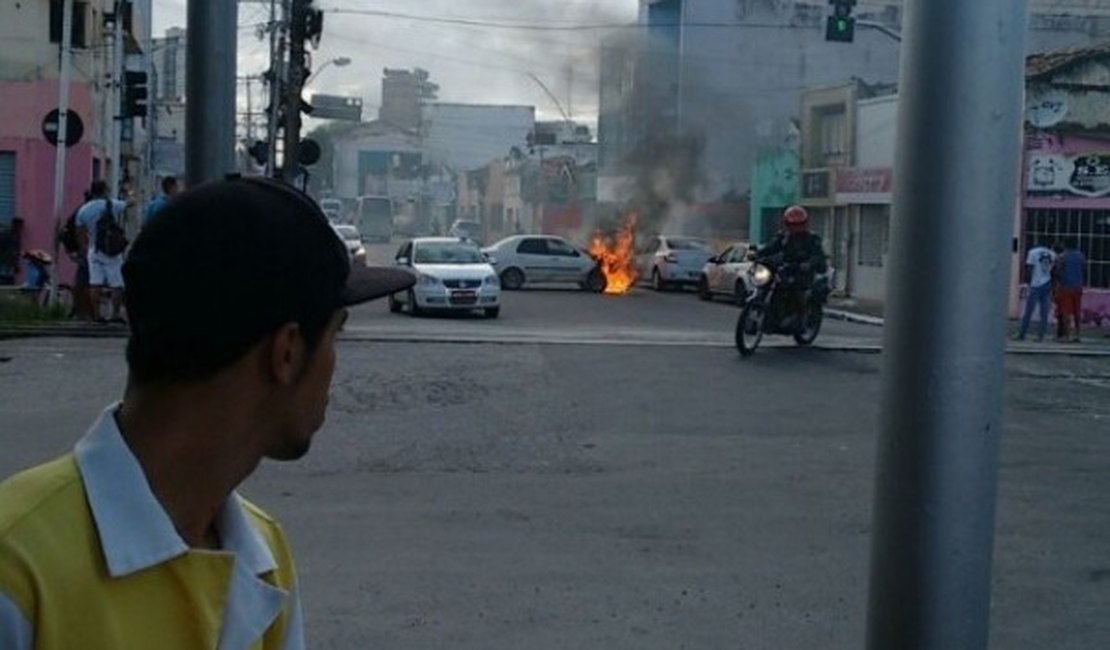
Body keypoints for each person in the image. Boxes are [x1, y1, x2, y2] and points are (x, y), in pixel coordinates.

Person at [0, 177, 415, 649]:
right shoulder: (16, 569)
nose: (335, 364)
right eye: (335, 336)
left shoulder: (261, 553)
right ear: (287, 352)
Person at [758, 205, 829, 328]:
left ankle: (797, 317)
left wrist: (809, 263)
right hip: (786, 269)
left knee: (793, 288)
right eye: (791, 224)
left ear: (804, 223)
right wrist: (757, 254)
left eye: (798, 224)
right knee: (769, 283)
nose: (795, 227)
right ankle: (771, 316)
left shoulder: (812, 239)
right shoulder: (782, 237)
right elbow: (770, 248)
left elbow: (818, 255)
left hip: (803, 273)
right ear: (786, 223)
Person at [75, 180, 131, 323]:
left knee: (95, 283)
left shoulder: (84, 210)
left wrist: (84, 249)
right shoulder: (112, 205)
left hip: (95, 249)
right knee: (116, 284)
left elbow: (80, 232)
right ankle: (115, 314)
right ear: (105, 190)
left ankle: (97, 315)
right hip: (112, 250)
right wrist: (130, 193)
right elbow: (130, 203)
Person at [1015, 239, 1056, 342]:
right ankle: (1040, 336)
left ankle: (1022, 334)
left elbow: (1029, 268)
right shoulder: (1052, 254)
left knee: (1029, 311)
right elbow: (1054, 271)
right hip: (1047, 282)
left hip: (1035, 283)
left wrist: (1027, 283)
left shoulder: (1032, 252)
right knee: (1044, 312)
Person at [1054, 237, 1086, 342]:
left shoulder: (1062, 257)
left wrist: (1058, 282)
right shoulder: (1081, 256)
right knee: (1077, 311)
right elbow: (1083, 268)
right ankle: (1078, 334)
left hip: (1065, 286)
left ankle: (1066, 336)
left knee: (1066, 312)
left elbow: (1057, 271)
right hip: (1078, 286)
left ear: (1065, 245)